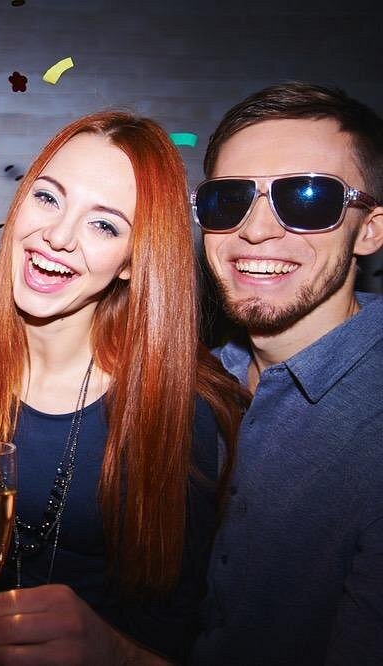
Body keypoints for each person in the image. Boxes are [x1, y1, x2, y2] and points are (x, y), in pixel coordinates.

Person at [0, 111, 247, 664]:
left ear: (134, 262)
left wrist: (111, 650)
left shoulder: (179, 406)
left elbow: (182, 636)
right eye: (47, 198)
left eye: (104, 224)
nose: (57, 237)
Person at [189, 82, 383, 665]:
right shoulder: (197, 381)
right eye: (229, 200)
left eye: (306, 198)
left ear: (370, 229)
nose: (256, 230)